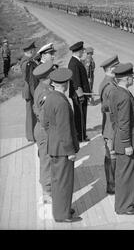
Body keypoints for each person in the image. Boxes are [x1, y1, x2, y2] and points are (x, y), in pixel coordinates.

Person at [43, 68, 81, 223]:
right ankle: (62, 215)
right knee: (64, 183)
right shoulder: (61, 102)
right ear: (65, 84)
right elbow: (65, 130)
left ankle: (62, 208)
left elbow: (46, 123)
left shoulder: (50, 97)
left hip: (54, 146)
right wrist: (70, 150)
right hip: (63, 149)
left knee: (58, 181)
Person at [109, 63, 134, 215]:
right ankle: (124, 206)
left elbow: (113, 118)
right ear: (125, 78)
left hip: (120, 138)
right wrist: (127, 144)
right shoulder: (124, 96)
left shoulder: (116, 91)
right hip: (127, 140)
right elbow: (124, 122)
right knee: (127, 176)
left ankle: (124, 203)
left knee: (123, 174)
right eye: (131, 77)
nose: (133, 79)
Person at [33, 61, 57, 203]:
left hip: (43, 129)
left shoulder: (43, 87)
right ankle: (47, 192)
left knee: (47, 159)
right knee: (46, 160)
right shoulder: (45, 92)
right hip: (44, 131)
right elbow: (43, 116)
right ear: (48, 75)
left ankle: (48, 186)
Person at [98, 55, 120, 195]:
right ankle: (112, 185)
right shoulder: (110, 87)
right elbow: (112, 108)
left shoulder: (106, 82)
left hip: (108, 126)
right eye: (117, 67)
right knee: (112, 156)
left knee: (110, 155)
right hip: (111, 127)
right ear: (111, 68)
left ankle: (111, 184)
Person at [68, 41, 91, 142]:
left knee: (81, 115)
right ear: (78, 51)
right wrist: (81, 95)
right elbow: (76, 81)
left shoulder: (76, 61)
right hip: (79, 95)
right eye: (82, 50)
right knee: (80, 116)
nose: (83, 52)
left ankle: (81, 135)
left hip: (79, 94)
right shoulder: (74, 63)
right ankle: (80, 137)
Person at [21, 40, 39, 143]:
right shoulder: (28, 63)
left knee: (30, 113)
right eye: (34, 49)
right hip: (30, 92)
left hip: (28, 91)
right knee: (31, 114)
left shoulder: (26, 61)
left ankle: (31, 135)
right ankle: (31, 136)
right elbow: (31, 81)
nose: (35, 51)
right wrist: (35, 94)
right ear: (31, 51)